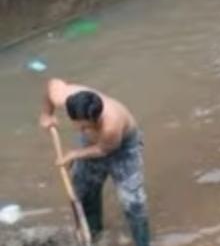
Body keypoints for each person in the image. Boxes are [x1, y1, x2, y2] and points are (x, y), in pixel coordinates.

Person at [39, 79, 150, 246]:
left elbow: (104, 150)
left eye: (86, 126)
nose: (81, 128)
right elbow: (52, 85)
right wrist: (47, 114)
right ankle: (93, 234)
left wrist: (74, 155)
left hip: (122, 151)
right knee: (83, 194)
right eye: (79, 125)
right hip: (91, 144)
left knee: (133, 202)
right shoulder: (67, 96)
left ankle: (142, 242)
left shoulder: (111, 125)